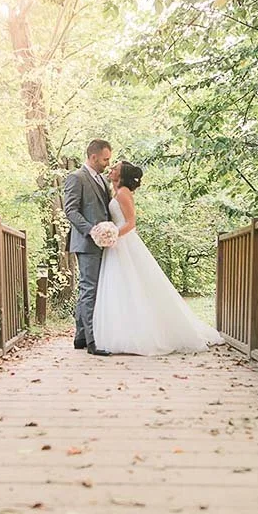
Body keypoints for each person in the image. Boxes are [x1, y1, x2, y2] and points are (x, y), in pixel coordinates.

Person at [92, 161, 223, 356]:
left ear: (122, 175)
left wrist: (113, 233)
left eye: (116, 168)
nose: (111, 169)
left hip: (124, 243)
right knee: (119, 287)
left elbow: (131, 223)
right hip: (116, 246)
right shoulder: (116, 192)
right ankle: (123, 334)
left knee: (132, 285)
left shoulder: (123, 193)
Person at [62, 139, 114, 356]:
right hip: (86, 242)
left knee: (89, 288)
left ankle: (81, 336)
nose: (107, 163)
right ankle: (93, 342)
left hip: (102, 242)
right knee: (89, 289)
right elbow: (71, 210)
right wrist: (92, 230)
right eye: (105, 159)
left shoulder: (102, 179)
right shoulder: (76, 178)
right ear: (93, 157)